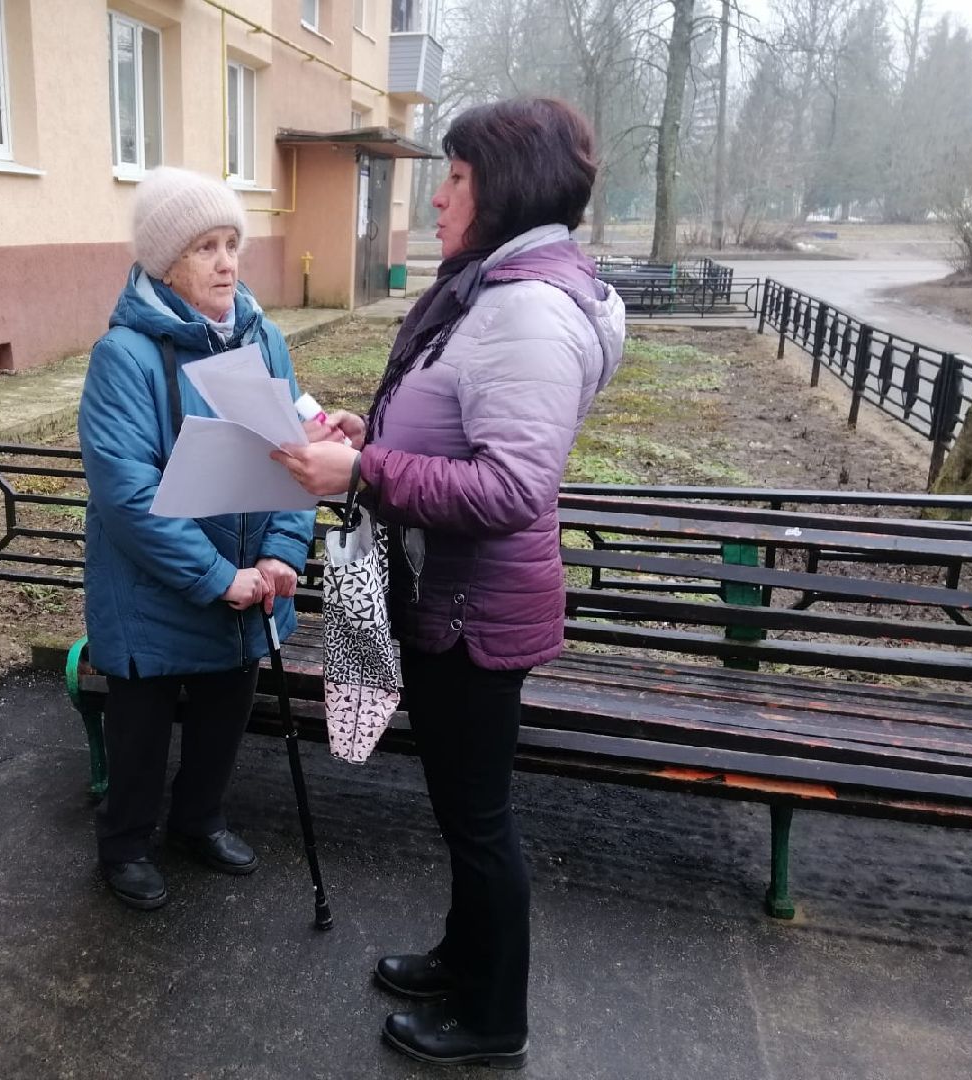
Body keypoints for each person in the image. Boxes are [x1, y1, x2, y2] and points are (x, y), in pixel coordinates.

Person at [273, 98, 625, 1069]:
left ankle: (491, 1020)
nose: (436, 197)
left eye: (456, 177)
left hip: (474, 613)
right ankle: (459, 958)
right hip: (444, 597)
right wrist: (372, 438)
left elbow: (512, 486)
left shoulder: (525, 309)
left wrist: (366, 474)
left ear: (501, 187)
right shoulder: (495, 288)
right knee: (459, 808)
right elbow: (460, 426)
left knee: (476, 820)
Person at [79, 167, 315, 912]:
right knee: (141, 736)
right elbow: (129, 494)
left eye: (230, 244)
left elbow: (294, 455)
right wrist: (217, 576)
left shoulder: (261, 337)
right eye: (204, 248)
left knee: (222, 720)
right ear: (163, 263)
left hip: (249, 581)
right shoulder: (126, 357)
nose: (225, 262)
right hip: (155, 594)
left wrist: (280, 553)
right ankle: (124, 845)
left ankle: (198, 822)